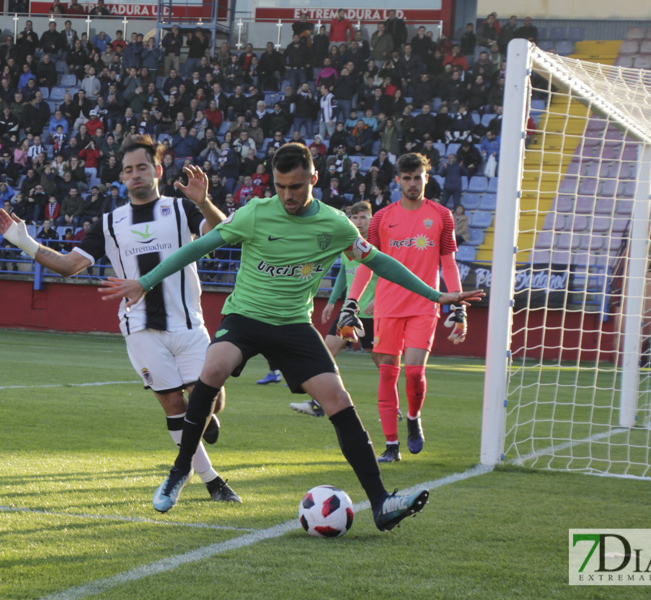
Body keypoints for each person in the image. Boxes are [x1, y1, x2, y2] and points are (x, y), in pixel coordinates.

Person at [99, 143, 482, 526]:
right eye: (280, 187)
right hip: (246, 317)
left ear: (313, 179)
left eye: (296, 187)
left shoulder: (334, 224)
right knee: (213, 369)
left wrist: (436, 295)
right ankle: (180, 472)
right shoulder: (255, 213)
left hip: (294, 325)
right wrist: (145, 282)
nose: (287, 196)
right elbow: (200, 246)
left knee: (337, 398)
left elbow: (378, 261)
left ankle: (381, 503)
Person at [0, 134, 241, 504]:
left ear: (157, 170)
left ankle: (202, 423)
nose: (135, 175)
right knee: (175, 405)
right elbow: (68, 266)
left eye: (142, 167)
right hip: (140, 327)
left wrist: (203, 201)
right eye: (128, 170)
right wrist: (24, 242)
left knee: (213, 400)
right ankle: (209, 480)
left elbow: (221, 234)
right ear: (121, 177)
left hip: (188, 323)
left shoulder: (180, 209)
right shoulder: (110, 223)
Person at [344, 152, 471, 463]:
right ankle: (390, 446)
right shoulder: (381, 218)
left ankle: (413, 418)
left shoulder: (441, 215)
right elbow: (367, 264)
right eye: (407, 178)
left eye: (418, 177)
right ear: (398, 180)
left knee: (414, 371)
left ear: (427, 178)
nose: (413, 183)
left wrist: (458, 304)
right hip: (387, 306)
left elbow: (448, 262)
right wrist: (352, 301)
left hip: (424, 304)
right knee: (388, 375)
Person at [290, 201, 377, 418]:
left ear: (371, 219)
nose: (358, 221)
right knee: (326, 354)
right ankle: (318, 403)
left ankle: (393, 409)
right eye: (354, 217)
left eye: (363, 217)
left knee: (384, 364)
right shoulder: (348, 243)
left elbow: (390, 273)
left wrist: (380, 299)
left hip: (374, 313)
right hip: (349, 312)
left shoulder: (378, 243)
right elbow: (342, 274)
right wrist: (331, 301)